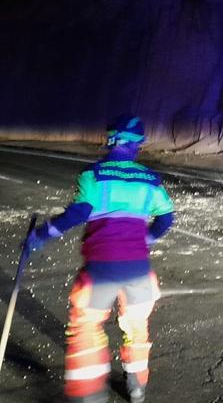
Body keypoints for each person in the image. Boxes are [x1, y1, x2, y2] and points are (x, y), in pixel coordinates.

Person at [22, 115, 174, 403]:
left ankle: (90, 395)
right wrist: (146, 239)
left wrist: (40, 236)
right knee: (137, 326)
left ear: (110, 140)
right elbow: (166, 219)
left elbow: (77, 214)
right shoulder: (151, 180)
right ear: (138, 146)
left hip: (101, 271)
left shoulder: (94, 175)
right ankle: (136, 387)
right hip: (139, 272)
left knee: (87, 327)